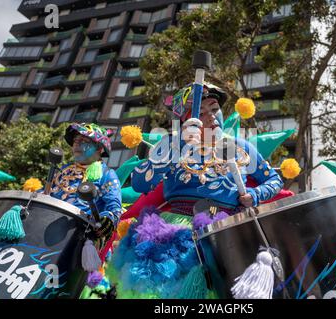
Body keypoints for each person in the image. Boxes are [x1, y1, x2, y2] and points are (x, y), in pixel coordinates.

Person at [108, 83, 284, 299]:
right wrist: (177, 143)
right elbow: (139, 183)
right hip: (175, 233)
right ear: (186, 121)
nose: (210, 116)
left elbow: (274, 180)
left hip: (227, 231)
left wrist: (255, 195)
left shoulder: (241, 148)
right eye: (200, 113)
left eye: (214, 108)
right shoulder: (172, 144)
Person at [48, 123, 123, 248]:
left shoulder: (107, 174)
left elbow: (114, 208)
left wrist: (107, 220)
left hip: (78, 239)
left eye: (83, 141)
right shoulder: (64, 169)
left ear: (100, 149)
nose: (77, 144)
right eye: (75, 140)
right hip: (46, 227)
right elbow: (47, 194)